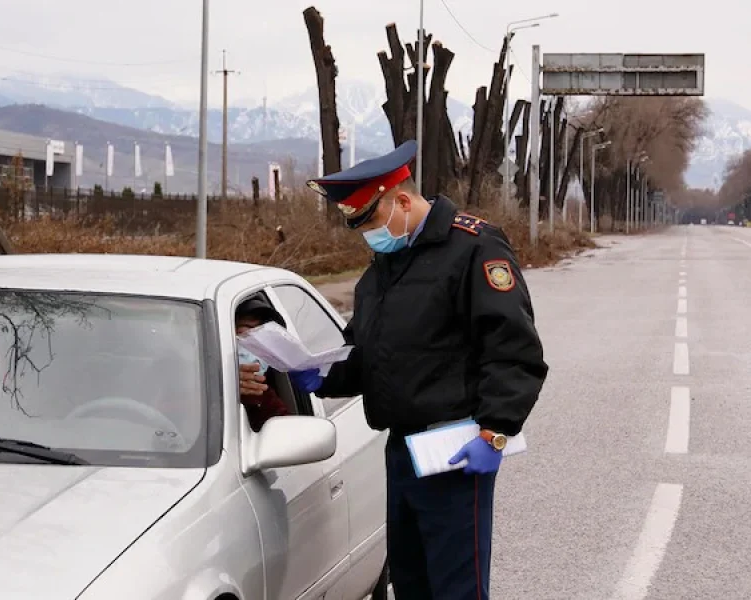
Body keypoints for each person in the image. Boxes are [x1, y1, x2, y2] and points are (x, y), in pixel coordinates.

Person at [292, 140, 548, 599]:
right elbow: (370, 351)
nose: (369, 234)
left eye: (370, 221)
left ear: (402, 201)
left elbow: (514, 349)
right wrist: (322, 375)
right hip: (401, 449)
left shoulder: (474, 248)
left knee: (456, 588)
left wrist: (495, 431)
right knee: (410, 583)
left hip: (455, 449)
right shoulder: (386, 268)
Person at [234, 296, 292, 432]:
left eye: (264, 338)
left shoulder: (262, 394)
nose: (256, 347)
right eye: (245, 334)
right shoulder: (196, 385)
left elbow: (287, 432)